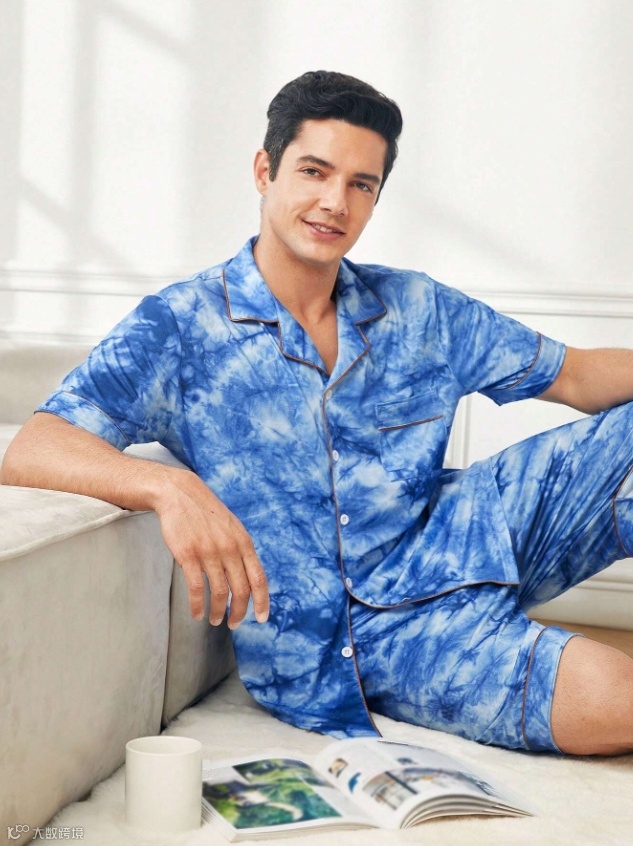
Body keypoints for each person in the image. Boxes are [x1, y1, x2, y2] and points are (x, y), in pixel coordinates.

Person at [2, 70, 633, 757]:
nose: (335, 202)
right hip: (358, 638)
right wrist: (168, 486)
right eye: (314, 171)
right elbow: (35, 447)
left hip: (468, 532)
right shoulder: (181, 326)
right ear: (264, 171)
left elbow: (577, 374)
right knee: (617, 702)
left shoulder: (417, 306)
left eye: (361, 184)